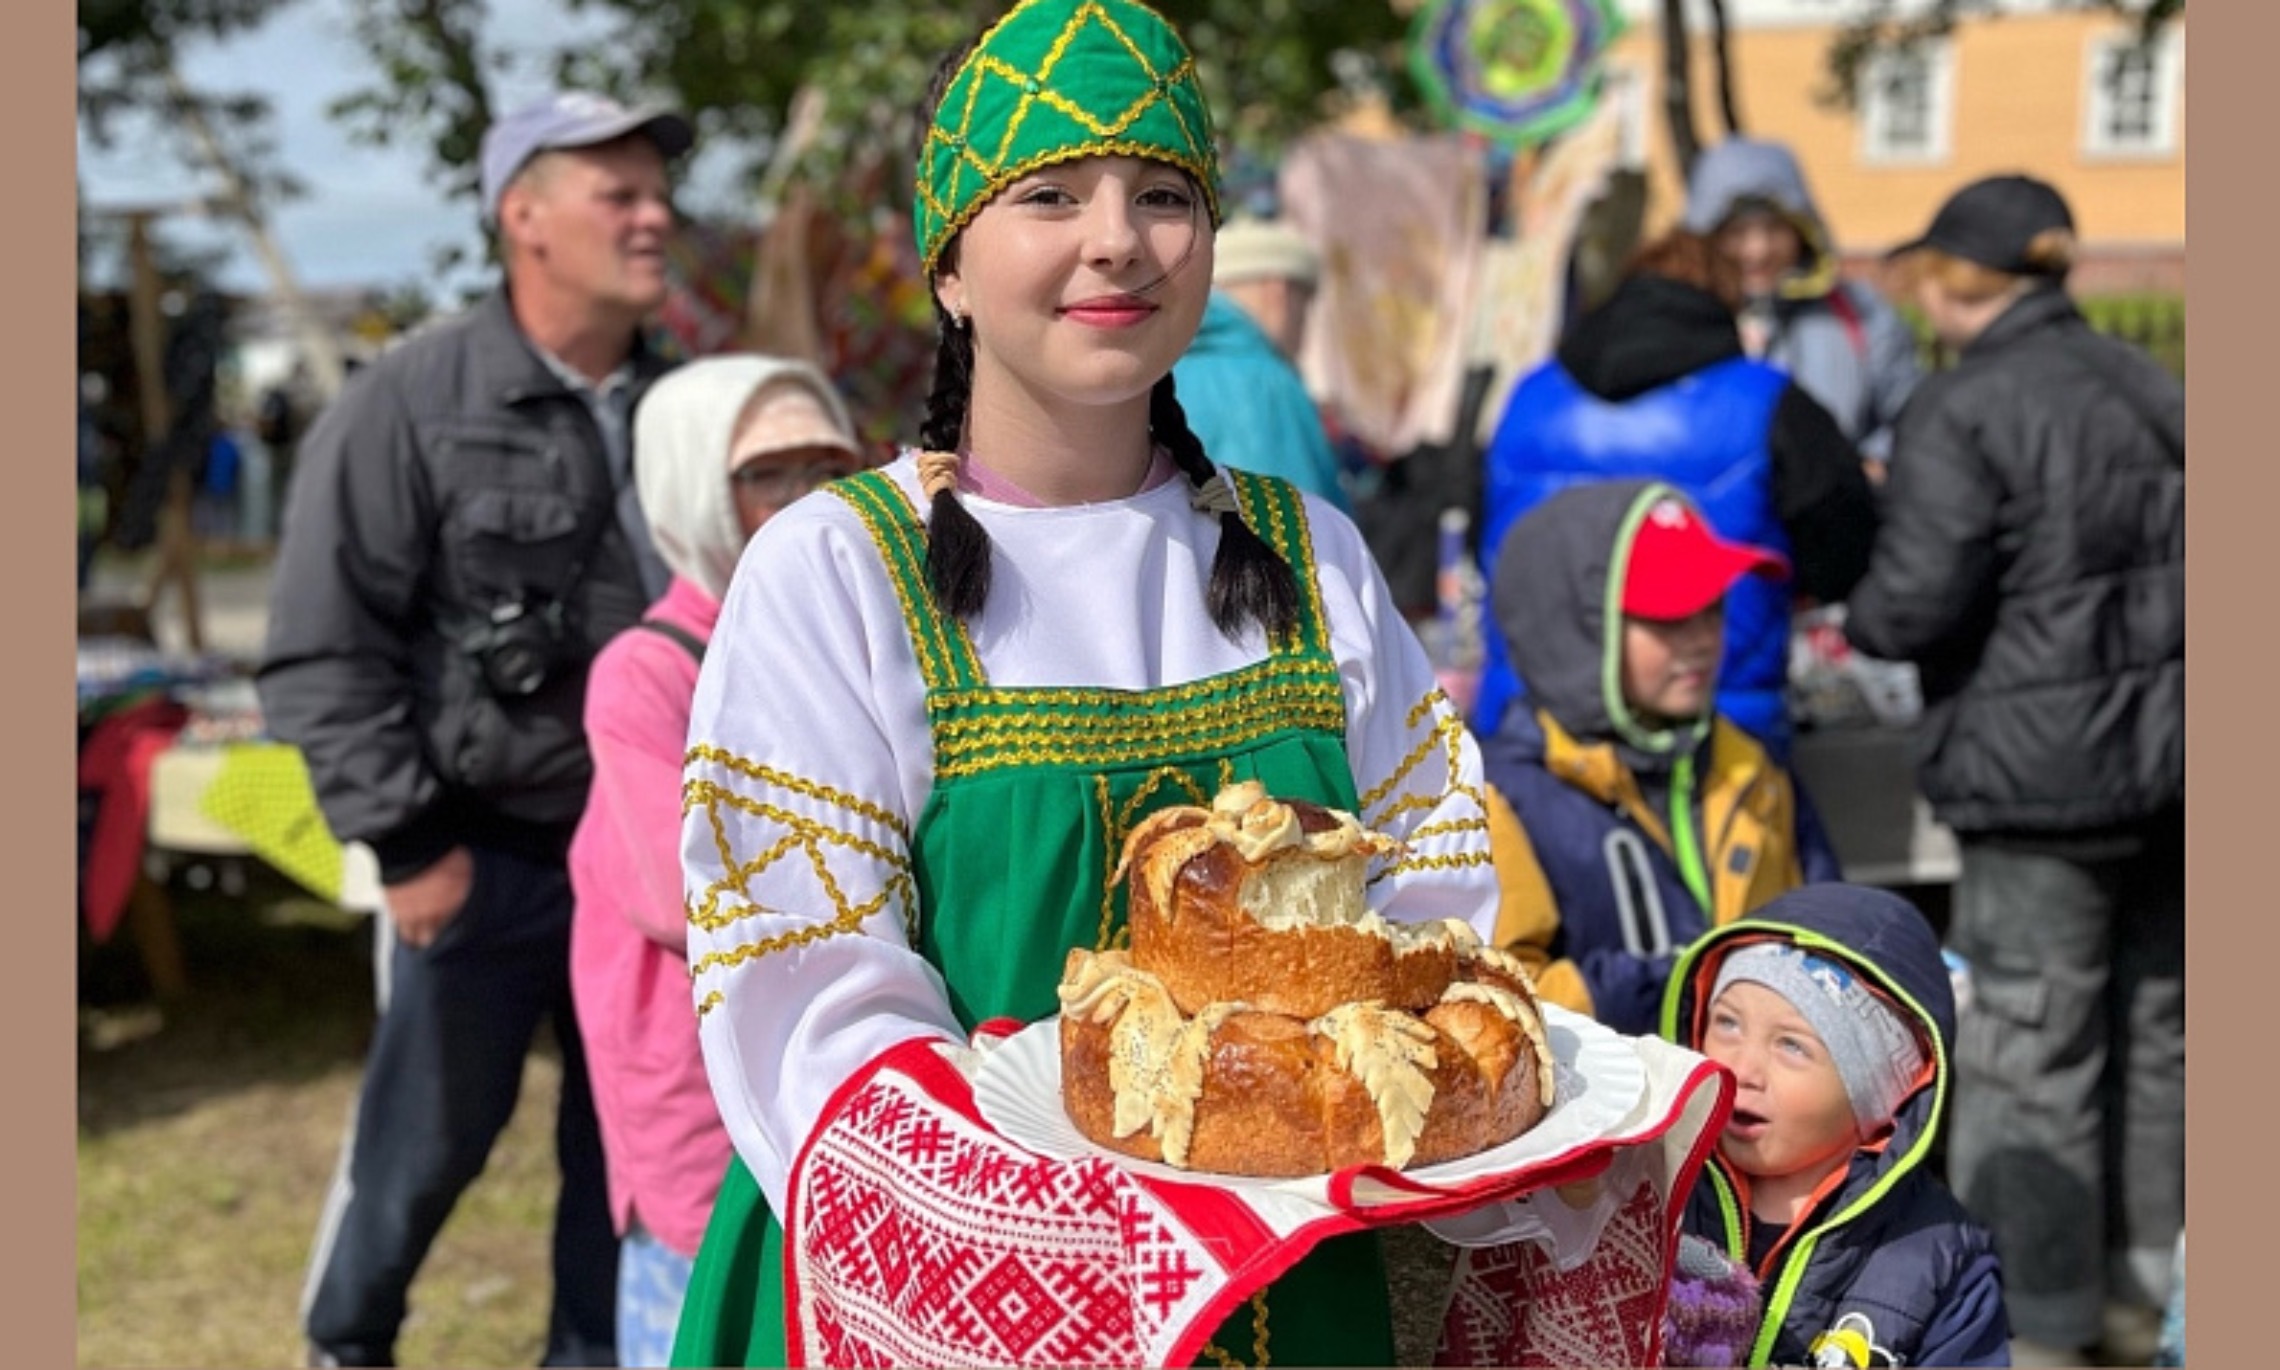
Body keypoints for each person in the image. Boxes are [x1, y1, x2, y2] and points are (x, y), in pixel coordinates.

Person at [666, 0, 1500, 1361]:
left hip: (1301, 1274)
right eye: (1050, 194)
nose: (1118, 237)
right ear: (948, 264)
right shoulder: (836, 571)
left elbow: (1431, 914)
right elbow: (810, 992)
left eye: (1164, 194)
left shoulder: (1309, 556)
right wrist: (1060, 1237)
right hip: (951, 1287)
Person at [257, 89, 696, 1368]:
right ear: (524, 217)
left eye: (656, 190)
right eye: (618, 194)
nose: (656, 214)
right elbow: (319, 641)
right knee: (420, 1145)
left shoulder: (687, 406)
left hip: (638, 869)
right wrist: (405, 844)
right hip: (477, 851)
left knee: (621, 1154)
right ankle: (346, 1342)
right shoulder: (408, 399)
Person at [1842, 173, 2183, 1368]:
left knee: (2033, 1050)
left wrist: (1866, 600)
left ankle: (2041, 1324)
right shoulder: (2151, 383)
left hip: (2040, 781)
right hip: (2174, 762)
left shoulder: (1967, 406)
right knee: (2157, 1033)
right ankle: (2149, 1299)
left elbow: (1908, 603)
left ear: (1950, 280)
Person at [568, 355, 865, 1368]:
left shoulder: (859, 634)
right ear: (696, 487)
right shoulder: (645, 673)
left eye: (828, 464)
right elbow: (690, 888)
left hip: (843, 1063)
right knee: (707, 1319)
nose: (807, 498)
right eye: (767, 473)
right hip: (702, 1082)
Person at [1472, 229, 1878, 759]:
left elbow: (1486, 543)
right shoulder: (1767, 400)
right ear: (1722, 304)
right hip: (1713, 720)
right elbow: (1845, 551)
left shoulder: (1528, 394)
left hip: (1534, 716)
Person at [1481, 479, 1842, 1035]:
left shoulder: (1753, 768)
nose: (1701, 639)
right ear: (1580, 634)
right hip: (1615, 1113)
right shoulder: (1501, 798)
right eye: (1668, 617)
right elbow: (1498, 1005)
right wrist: (1679, 985)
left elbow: (1830, 929)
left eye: (1713, 607)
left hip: (1747, 1109)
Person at [1661, 884, 2010, 1368]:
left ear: (1880, 1092)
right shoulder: (1650, 1191)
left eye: (1791, 1046)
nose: (1742, 1070)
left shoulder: (1940, 1259)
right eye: (1727, 1024)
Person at [1682, 137, 1922, 475]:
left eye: (1774, 229)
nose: (1758, 250)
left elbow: (1914, 418)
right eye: (1737, 232)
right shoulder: (1674, 320)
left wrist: (1868, 465)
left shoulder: (1859, 314)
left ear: (1803, 230)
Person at [1170, 214, 1352, 511]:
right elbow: (1289, 532)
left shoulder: (1161, 369)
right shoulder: (1264, 384)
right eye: (1303, 310)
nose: (1303, 330)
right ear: (1276, 292)